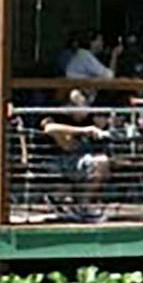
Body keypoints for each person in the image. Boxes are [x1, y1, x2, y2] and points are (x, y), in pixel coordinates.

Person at [40, 89, 111, 219]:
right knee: (99, 162)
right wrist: (83, 130)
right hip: (56, 160)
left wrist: (103, 124)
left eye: (85, 104)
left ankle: (82, 206)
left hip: (81, 159)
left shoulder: (89, 118)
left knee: (103, 162)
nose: (85, 108)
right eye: (79, 104)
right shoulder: (58, 116)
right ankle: (79, 205)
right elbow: (49, 128)